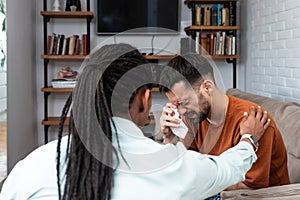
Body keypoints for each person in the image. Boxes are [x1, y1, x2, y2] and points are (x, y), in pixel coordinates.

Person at [0, 43, 270, 200]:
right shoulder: (171, 167)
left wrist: (169, 141)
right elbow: (222, 169)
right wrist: (248, 139)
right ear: (144, 98)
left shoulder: (29, 167)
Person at [159, 53, 290, 191]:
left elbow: (250, 189)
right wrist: (169, 139)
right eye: (176, 105)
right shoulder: (193, 116)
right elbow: (188, 166)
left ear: (207, 88)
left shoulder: (255, 123)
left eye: (184, 102)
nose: (181, 112)